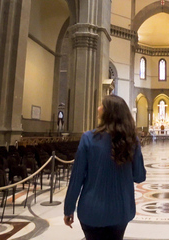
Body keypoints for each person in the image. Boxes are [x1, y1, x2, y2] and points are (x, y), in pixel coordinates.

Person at [63, 95, 146, 240]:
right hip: (121, 210)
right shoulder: (131, 140)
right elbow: (139, 176)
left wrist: (68, 208)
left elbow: (76, 179)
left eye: (101, 105)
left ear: (109, 112)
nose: (98, 108)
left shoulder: (88, 138)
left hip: (91, 211)